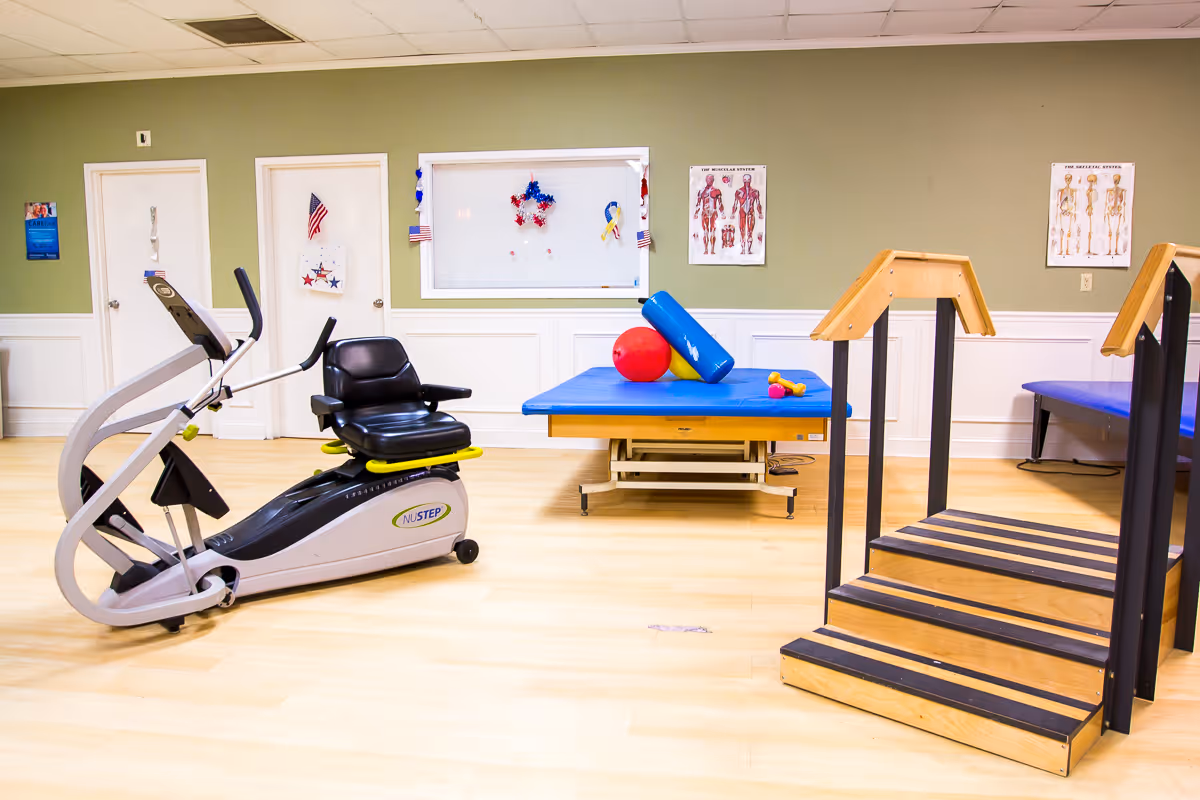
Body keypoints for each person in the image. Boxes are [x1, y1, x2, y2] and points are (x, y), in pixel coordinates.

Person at [732, 173, 764, 255]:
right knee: (742, 231)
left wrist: (760, 213)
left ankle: (748, 250)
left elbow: (758, 204)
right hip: (742, 212)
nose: (747, 183)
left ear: (750, 181)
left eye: (748, 181)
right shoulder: (738, 191)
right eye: (745, 181)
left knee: (750, 231)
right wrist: (733, 213)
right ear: (743, 180)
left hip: (751, 212)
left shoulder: (755, 192)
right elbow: (735, 203)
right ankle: (743, 249)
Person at [692, 174, 724, 255]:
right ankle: (706, 249)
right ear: (706, 180)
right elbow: (698, 204)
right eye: (708, 179)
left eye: (711, 179)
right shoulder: (701, 191)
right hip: (704, 213)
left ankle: (712, 249)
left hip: (713, 212)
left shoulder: (717, 191)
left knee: (713, 231)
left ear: (713, 180)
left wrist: (722, 213)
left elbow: (720, 203)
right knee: (705, 231)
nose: (709, 181)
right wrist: (696, 213)